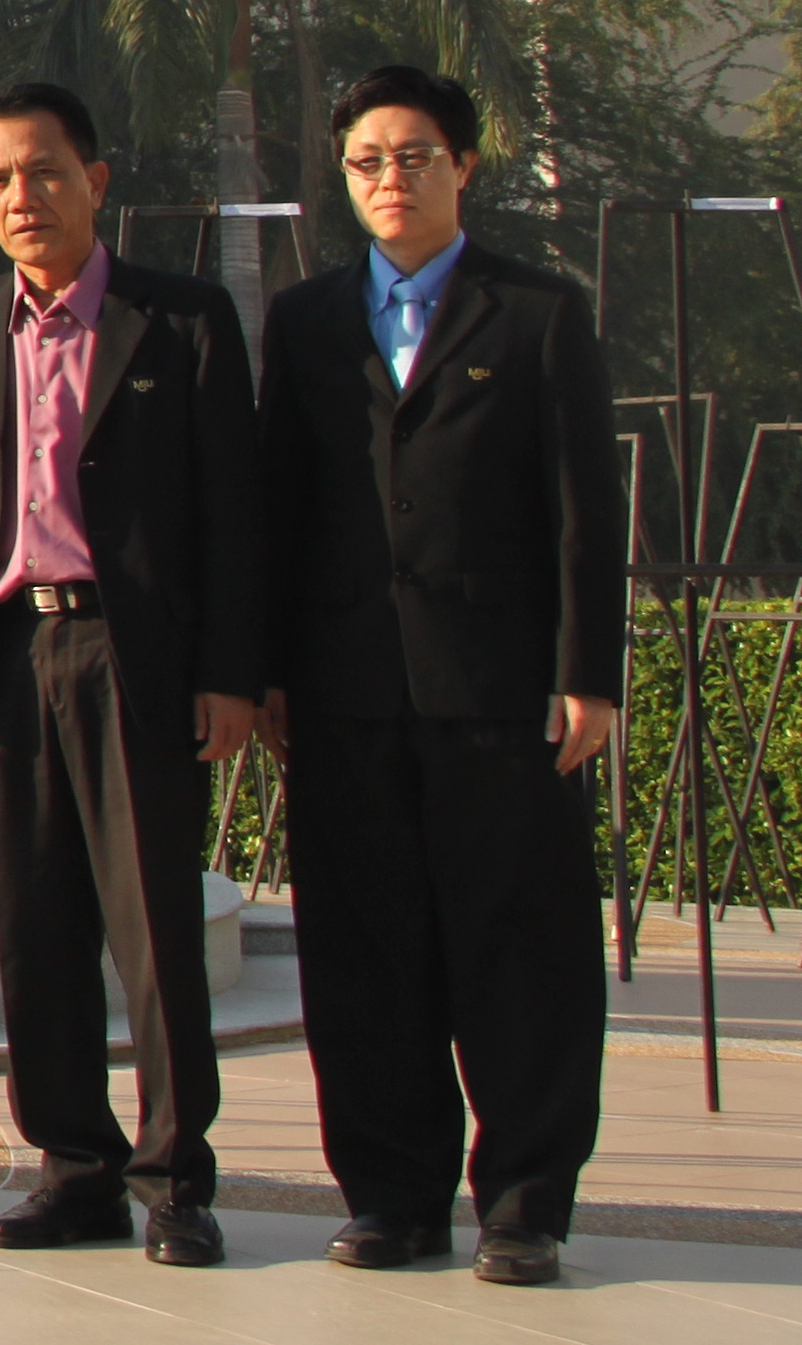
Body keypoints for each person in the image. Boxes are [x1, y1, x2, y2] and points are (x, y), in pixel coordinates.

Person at [261, 64, 620, 1288]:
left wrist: (588, 673)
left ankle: (525, 1204)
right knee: (365, 955)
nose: (390, 179)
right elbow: (282, 508)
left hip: (501, 694)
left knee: (520, 954)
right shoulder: (306, 319)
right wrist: (269, 670)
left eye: (414, 156)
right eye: (366, 160)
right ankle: (392, 1197)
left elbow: (584, 507)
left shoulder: (538, 313)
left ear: (463, 167)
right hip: (346, 691)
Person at [0, 81, 265, 1268]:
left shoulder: (181, 319)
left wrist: (229, 672)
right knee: (34, 927)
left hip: (133, 656)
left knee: (154, 928)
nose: (25, 196)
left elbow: (233, 510)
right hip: (8, 657)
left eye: (46, 171)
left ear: (95, 182)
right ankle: (74, 1171)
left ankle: (174, 1183)